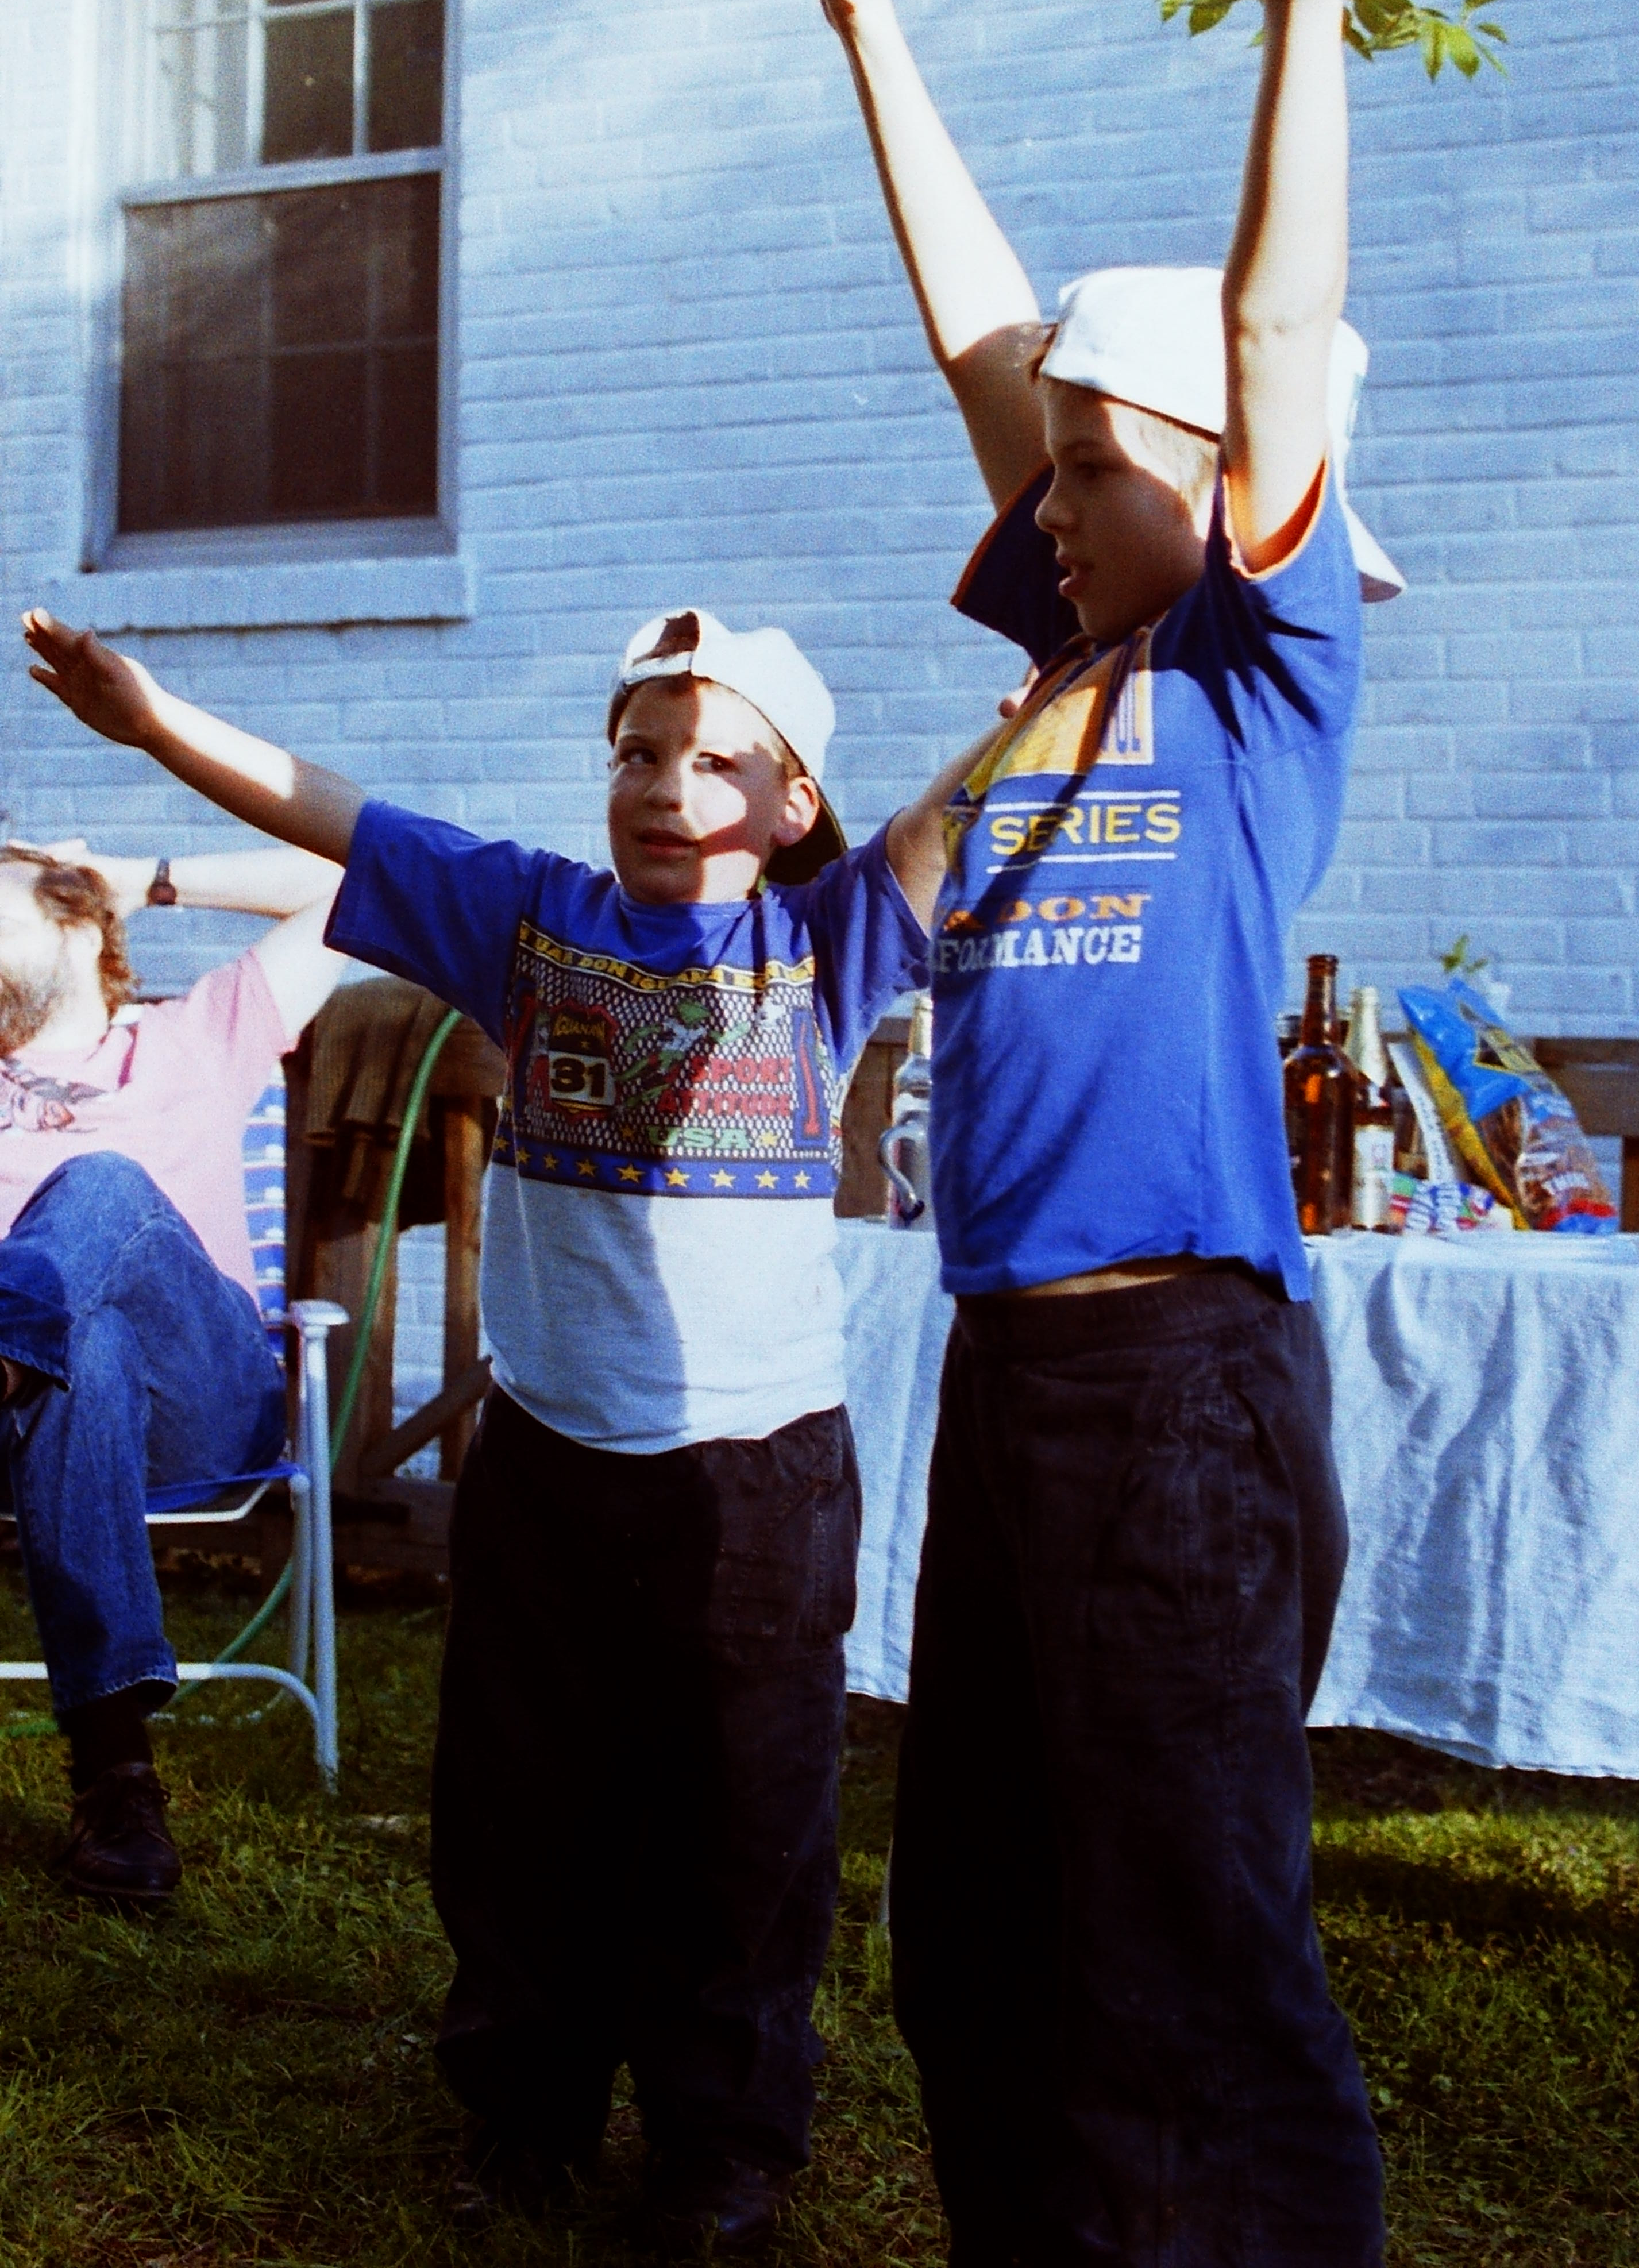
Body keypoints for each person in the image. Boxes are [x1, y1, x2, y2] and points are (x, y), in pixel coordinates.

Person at [18, 598, 990, 2251]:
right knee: (524, 1805)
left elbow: (951, 817)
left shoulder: (825, 946)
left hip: (761, 1475)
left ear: (795, 804)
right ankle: (525, 2110)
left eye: (718, 763)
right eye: (638, 753)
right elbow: (330, 812)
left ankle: (723, 2146)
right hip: (546, 1458)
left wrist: (1079, 676)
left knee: (746, 1819)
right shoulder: (527, 922)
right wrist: (155, 719)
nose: (667, 786)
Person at [813, 0, 1391, 2267]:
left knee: (1184, 1961)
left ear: (1226, 484)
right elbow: (983, 333)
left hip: (1179, 1386)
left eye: (1085, 465)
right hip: (1017, 1374)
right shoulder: (1066, 653)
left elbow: (1262, 336)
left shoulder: (1256, 675)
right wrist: (866, 22)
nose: (1040, 498)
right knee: (986, 1943)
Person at [0, 838, 345, 1901]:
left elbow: (345, 884)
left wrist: (144, 878)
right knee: (84, 1350)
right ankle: (117, 1783)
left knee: (102, 1183)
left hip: (204, 1407)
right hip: (42, 1426)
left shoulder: (199, 1035)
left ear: (73, 920)